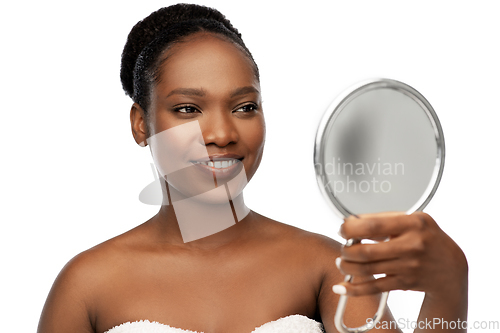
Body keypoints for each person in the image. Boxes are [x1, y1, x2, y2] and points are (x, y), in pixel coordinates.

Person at [37, 4, 468, 333]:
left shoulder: (325, 266)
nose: (222, 132)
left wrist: (450, 288)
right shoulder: (87, 286)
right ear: (140, 123)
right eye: (188, 108)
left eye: (245, 107)